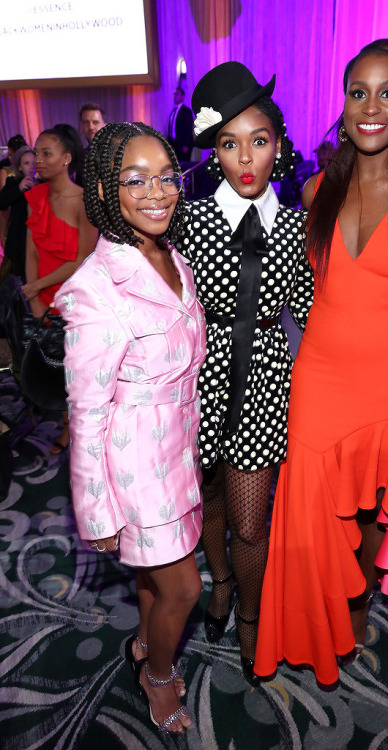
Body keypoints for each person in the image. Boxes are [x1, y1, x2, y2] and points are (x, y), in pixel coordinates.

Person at [255, 39, 388, 685]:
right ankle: (322, 613)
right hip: (318, 375)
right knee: (312, 507)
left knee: (380, 507)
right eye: (358, 92)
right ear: (343, 104)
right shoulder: (318, 187)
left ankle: (357, 601)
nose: (371, 107)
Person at [54, 122, 206, 734]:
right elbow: (85, 412)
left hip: (178, 446)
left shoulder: (169, 253)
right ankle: (159, 676)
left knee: (157, 573)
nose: (158, 192)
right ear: (103, 189)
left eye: (167, 177)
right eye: (135, 179)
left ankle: (147, 642)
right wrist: (97, 513)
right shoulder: (95, 289)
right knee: (185, 588)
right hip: (136, 466)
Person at [178, 62, 314, 685]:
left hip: (262, 383)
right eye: (229, 144)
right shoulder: (188, 222)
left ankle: (254, 618)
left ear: (278, 145)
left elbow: (312, 313)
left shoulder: (295, 228)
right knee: (204, 501)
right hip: (197, 381)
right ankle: (223, 584)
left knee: (251, 521)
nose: (245, 158)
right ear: (214, 152)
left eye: (258, 140)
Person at [21, 124, 97, 454]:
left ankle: (79, 430)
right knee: (54, 367)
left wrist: (38, 286)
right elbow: (32, 251)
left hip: (75, 298)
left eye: (46, 153)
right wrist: (35, 297)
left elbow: (83, 260)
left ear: (66, 158)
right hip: (42, 299)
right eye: (36, 152)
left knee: (77, 370)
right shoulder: (35, 197)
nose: (37, 159)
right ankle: (67, 425)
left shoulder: (84, 201)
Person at [0, 146, 36, 283]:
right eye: (26, 163)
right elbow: (2, 202)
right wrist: (20, 188)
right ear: (20, 167)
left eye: (33, 163)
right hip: (18, 240)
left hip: (38, 240)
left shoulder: (44, 183)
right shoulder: (13, 183)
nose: (31, 167)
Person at [167, 88, 194, 163]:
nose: (175, 96)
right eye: (174, 94)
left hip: (183, 144)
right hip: (174, 143)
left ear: (182, 96)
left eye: (177, 94)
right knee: (175, 164)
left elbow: (189, 129)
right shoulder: (173, 111)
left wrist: (186, 145)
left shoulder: (186, 111)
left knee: (184, 164)